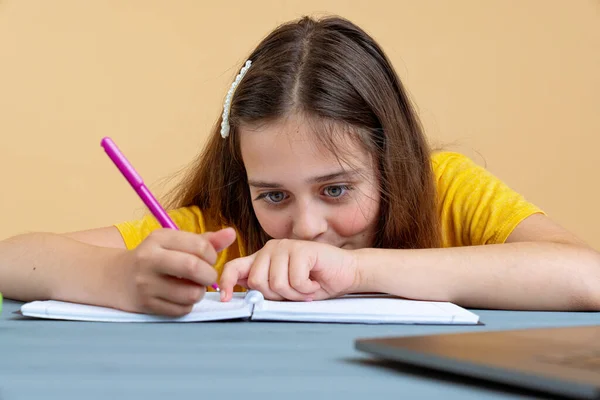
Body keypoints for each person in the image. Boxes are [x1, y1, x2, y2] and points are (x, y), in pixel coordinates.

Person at [0, 15, 598, 317]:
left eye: (336, 189)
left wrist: (358, 270)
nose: (306, 226)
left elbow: (586, 276)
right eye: (274, 195)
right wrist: (121, 278)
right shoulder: (224, 230)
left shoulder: (449, 191)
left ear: (392, 161)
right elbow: (12, 258)